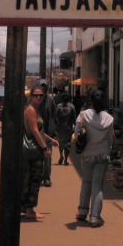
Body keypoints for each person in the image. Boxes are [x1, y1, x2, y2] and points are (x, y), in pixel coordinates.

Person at [74, 89, 114, 228]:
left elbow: (77, 134)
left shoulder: (83, 116)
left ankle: (82, 212)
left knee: (86, 182)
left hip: (87, 154)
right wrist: (108, 151)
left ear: (90, 99)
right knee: (97, 186)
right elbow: (110, 139)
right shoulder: (109, 118)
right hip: (102, 155)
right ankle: (95, 217)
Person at [22, 85, 58, 220]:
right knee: (34, 179)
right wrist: (45, 148)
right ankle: (30, 210)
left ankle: (27, 208)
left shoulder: (35, 110)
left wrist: (50, 140)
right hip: (33, 150)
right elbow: (34, 131)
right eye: (36, 95)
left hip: (36, 149)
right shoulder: (31, 110)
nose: (38, 97)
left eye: (41, 95)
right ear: (30, 97)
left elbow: (40, 130)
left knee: (32, 178)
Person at [38, 78, 57, 187]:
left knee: (47, 156)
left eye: (44, 86)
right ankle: (38, 176)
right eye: (41, 86)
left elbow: (54, 115)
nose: (43, 88)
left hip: (48, 133)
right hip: (37, 131)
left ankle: (47, 177)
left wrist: (54, 131)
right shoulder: (35, 99)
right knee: (38, 155)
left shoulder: (50, 100)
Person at [55, 92, 76, 165]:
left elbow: (56, 118)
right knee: (68, 144)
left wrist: (56, 127)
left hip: (60, 128)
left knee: (61, 143)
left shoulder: (58, 106)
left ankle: (61, 156)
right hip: (68, 128)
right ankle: (66, 159)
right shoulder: (72, 107)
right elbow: (74, 118)